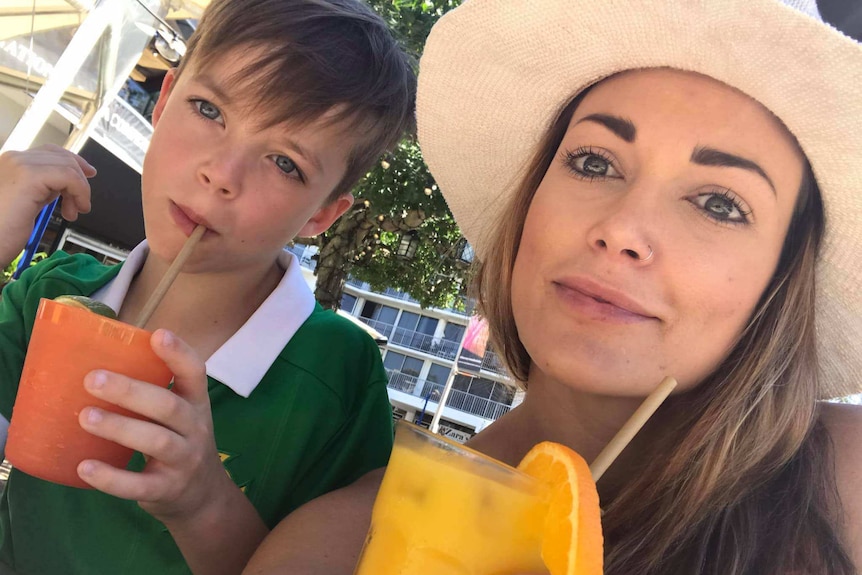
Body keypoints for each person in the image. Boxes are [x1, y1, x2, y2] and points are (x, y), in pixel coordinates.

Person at [242, 0, 862, 573]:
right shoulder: (332, 547)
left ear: (781, 278)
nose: (621, 230)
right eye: (594, 162)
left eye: (719, 203)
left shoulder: (843, 486)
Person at [0, 0, 415, 573]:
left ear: (321, 215)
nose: (221, 175)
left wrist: (202, 505)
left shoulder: (339, 375)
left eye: (284, 162)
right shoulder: (53, 297)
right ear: (164, 100)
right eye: (208, 109)